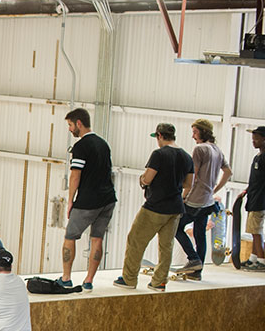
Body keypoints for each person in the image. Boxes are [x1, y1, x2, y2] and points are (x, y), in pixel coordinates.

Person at [114, 123, 195, 291]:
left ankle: (129, 279)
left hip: (155, 206)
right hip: (175, 208)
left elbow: (148, 178)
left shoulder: (159, 154)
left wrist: (142, 180)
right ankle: (159, 282)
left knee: (136, 240)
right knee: (166, 246)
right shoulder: (186, 157)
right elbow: (189, 183)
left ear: (159, 135)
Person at [58, 108, 116, 290]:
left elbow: (76, 175)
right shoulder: (103, 144)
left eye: (70, 125)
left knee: (70, 237)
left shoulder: (81, 146)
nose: (70, 129)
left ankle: (66, 278)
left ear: (79, 123)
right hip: (108, 199)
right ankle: (89, 280)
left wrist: (70, 201)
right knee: (97, 238)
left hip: (88, 200)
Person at [173, 119, 233, 280]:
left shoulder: (200, 149)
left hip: (195, 199)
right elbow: (228, 172)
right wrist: (214, 189)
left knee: (176, 227)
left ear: (202, 132)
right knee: (200, 235)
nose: (193, 136)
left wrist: (183, 196)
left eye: (195, 132)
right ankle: (196, 272)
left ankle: (193, 259)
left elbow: (192, 176)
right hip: (208, 200)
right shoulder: (217, 150)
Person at [245, 127, 265, 270]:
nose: (253, 141)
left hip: (259, 199)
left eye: (256, 139)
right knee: (253, 229)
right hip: (254, 197)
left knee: (255, 230)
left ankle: (261, 260)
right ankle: (253, 258)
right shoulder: (258, 157)